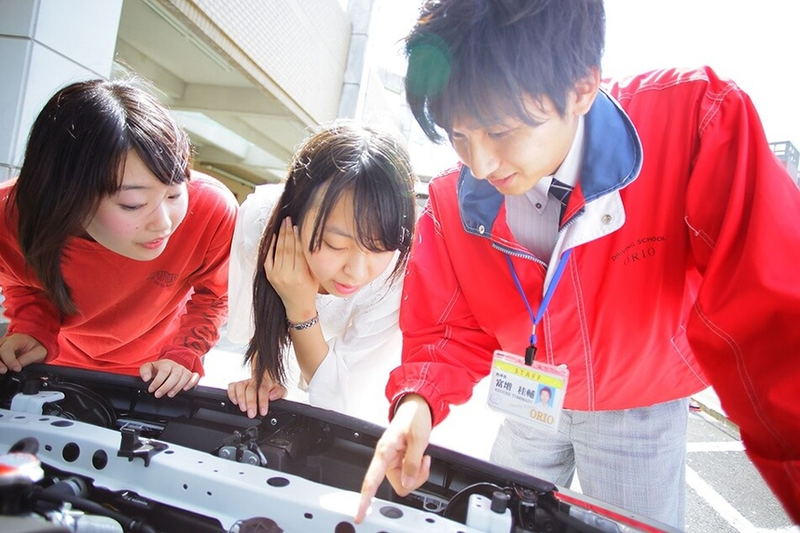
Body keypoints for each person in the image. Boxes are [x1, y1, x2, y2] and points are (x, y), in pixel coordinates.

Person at [356, 0, 800, 527]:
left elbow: (772, 317)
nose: (481, 164)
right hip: (528, 404)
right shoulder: (453, 198)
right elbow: (447, 330)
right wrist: (418, 404)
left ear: (582, 86)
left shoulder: (693, 122)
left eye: (500, 130)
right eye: (458, 136)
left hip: (639, 408)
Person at [0, 78, 238, 398]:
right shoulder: (10, 216)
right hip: (51, 368)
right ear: (66, 195)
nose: (164, 223)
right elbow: (25, 283)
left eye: (174, 194)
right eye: (133, 204)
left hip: (154, 376)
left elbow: (216, 295)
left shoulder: (210, 209)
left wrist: (184, 353)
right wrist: (33, 331)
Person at [225, 121, 416, 424]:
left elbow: (339, 397)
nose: (356, 272)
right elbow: (254, 324)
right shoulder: (259, 223)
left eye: (379, 247)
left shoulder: (395, 278)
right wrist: (266, 374)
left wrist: (300, 307)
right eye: (335, 244)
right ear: (295, 214)